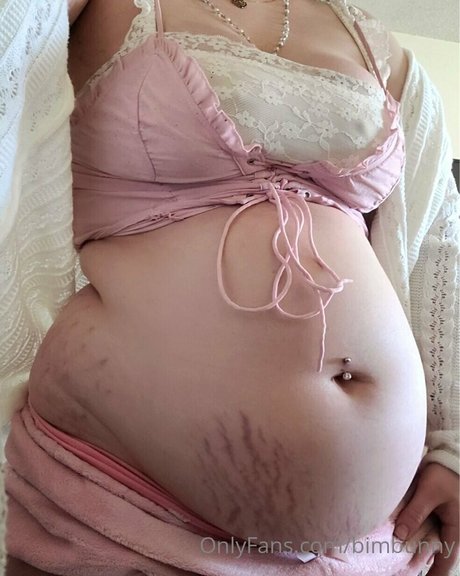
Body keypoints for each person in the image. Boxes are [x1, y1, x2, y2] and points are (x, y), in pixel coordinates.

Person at [1, 0, 458, 574]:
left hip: (371, 542)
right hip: (116, 504)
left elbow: (440, 244)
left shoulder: (374, 44)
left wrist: (454, 444)